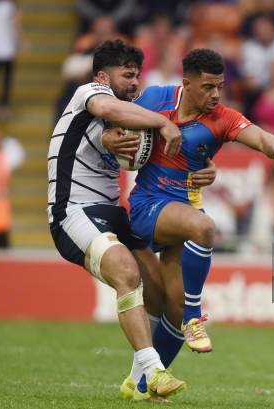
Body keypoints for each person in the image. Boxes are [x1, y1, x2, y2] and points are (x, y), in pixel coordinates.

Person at [113, 49, 274, 387]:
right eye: (207, 87)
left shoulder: (223, 117)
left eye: (219, 86)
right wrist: (116, 139)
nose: (215, 94)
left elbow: (259, 135)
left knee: (171, 304)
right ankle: (194, 316)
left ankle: (145, 384)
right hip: (148, 204)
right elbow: (118, 122)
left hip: (185, 210)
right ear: (186, 83)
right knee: (204, 227)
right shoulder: (156, 98)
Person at [47, 39, 198, 401]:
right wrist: (163, 122)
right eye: (127, 75)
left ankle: (135, 382)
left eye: (137, 76)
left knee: (160, 294)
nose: (134, 82)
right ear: (103, 76)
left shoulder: (124, 118)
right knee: (126, 272)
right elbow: (104, 109)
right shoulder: (89, 93)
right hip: (73, 211)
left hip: (114, 214)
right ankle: (155, 371)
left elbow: (114, 130)